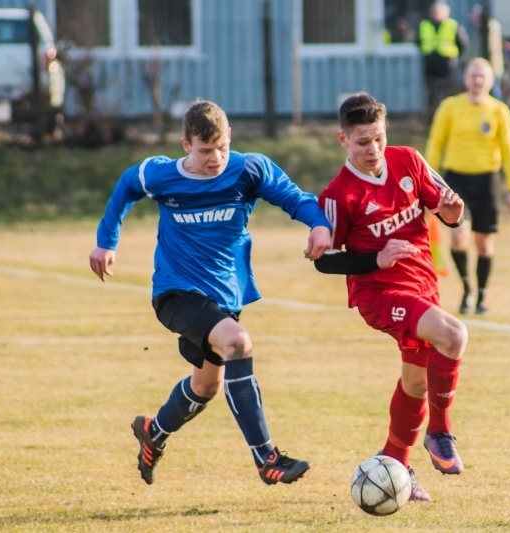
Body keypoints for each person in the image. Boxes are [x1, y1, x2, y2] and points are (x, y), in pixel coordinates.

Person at [88, 99, 332, 486]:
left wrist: (318, 224)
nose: (216, 158)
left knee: (206, 385)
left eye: (222, 147)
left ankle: (154, 432)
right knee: (237, 343)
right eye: (205, 150)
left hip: (223, 297)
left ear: (230, 136)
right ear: (186, 145)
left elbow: (296, 198)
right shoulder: (161, 174)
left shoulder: (249, 169)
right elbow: (127, 186)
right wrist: (106, 241)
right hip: (175, 292)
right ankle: (266, 458)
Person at [314, 92, 467, 502]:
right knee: (453, 335)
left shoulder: (410, 161)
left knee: (416, 382)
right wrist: (377, 259)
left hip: (423, 285)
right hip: (379, 293)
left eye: (378, 138)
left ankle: (394, 463)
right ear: (342, 140)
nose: (373, 149)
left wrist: (453, 211)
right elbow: (325, 263)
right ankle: (440, 433)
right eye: (363, 141)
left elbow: (450, 213)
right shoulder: (338, 194)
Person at [424, 58, 510, 315]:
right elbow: (436, 144)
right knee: (458, 236)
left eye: (483, 76)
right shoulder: (450, 107)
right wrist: (425, 185)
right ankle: (467, 288)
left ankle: (482, 295)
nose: (477, 81)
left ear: (491, 81)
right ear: (465, 79)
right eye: (473, 75)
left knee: (484, 243)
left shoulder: (499, 111)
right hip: (455, 181)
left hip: (487, 181)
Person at [417, 2, 469, 123]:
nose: (436, 14)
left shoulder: (453, 26)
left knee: (449, 97)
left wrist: (455, 60)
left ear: (446, 13)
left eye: (438, 11)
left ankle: (451, 121)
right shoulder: (424, 25)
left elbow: (463, 45)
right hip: (430, 68)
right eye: (434, 11)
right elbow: (419, 42)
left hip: (447, 68)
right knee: (431, 98)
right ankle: (430, 123)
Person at [466, 3, 505, 98]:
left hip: (493, 67)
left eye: (474, 15)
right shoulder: (475, 31)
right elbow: (472, 50)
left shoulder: (491, 26)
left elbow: (493, 47)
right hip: (478, 68)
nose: (472, 18)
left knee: (495, 92)